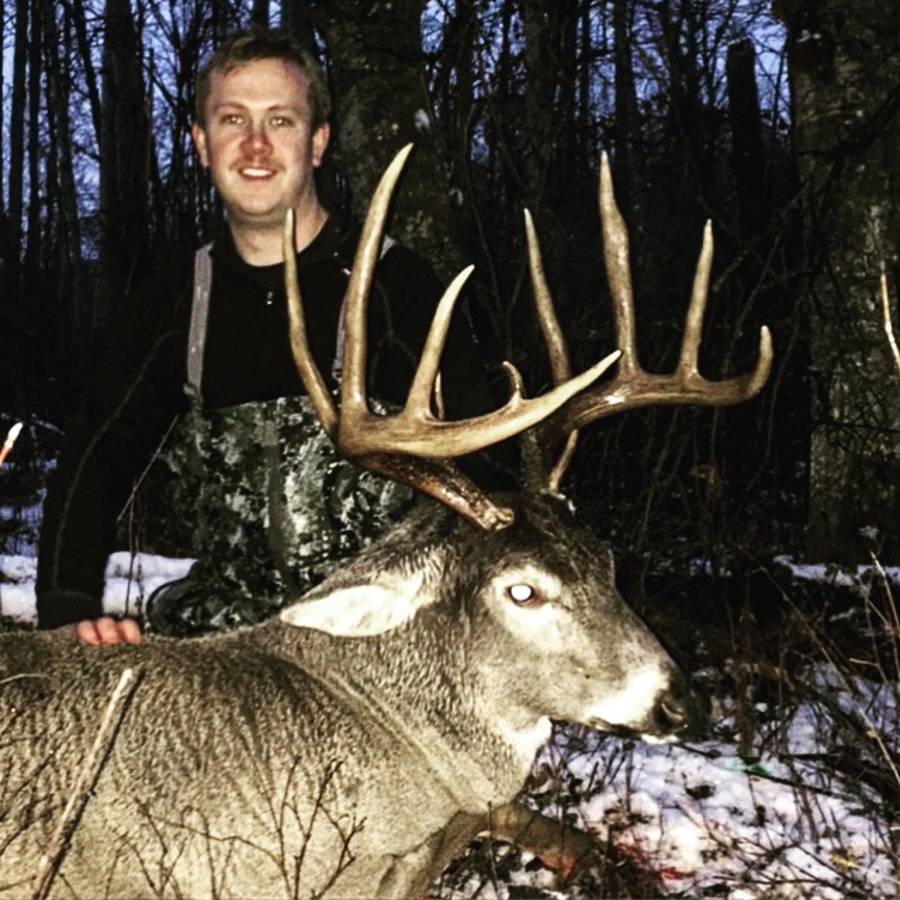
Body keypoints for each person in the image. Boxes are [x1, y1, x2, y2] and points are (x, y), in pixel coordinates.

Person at [36, 27, 493, 645]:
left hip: (381, 635)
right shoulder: (175, 300)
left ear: (318, 142)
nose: (256, 144)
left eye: (281, 120)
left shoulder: (397, 288)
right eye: (233, 120)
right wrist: (67, 606)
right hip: (230, 638)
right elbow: (97, 456)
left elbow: (482, 473)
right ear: (202, 144)